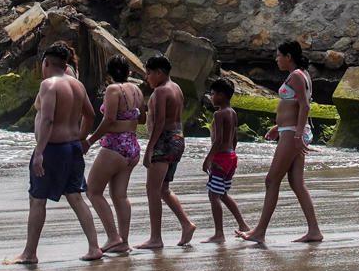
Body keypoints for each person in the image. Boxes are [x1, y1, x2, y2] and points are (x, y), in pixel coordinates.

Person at [8, 42, 103, 266]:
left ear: (47, 63)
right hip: (72, 148)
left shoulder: (48, 85)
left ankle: (29, 253)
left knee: (37, 200)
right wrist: (81, 138)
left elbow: (48, 119)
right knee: (76, 197)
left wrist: (39, 152)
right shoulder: (77, 85)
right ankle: (94, 247)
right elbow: (90, 115)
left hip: (52, 149)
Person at [238, 39, 325, 245]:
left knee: (271, 180)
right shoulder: (301, 74)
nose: (276, 59)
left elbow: (305, 106)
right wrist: (279, 127)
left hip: (293, 133)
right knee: (296, 183)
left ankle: (259, 232)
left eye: (279, 56)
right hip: (291, 130)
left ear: (288, 56)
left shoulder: (297, 76)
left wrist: (296, 135)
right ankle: (314, 230)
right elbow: (294, 105)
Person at [82, 54, 144, 255]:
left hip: (115, 146)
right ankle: (123, 241)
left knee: (93, 191)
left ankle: (113, 237)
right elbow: (142, 119)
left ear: (108, 73)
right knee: (120, 195)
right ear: (128, 72)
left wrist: (90, 141)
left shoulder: (112, 90)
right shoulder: (137, 90)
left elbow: (108, 120)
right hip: (132, 147)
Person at [137, 54, 197, 249]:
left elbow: (160, 122)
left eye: (148, 73)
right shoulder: (176, 87)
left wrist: (149, 149)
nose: (147, 78)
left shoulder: (161, 91)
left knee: (152, 189)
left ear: (159, 72)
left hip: (164, 141)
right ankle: (186, 224)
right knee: (163, 189)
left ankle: (156, 238)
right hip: (177, 139)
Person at [200, 78, 248, 242]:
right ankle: (242, 224)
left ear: (221, 95)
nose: (211, 97)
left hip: (220, 158)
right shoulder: (232, 112)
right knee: (223, 194)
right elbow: (234, 138)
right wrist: (231, 155)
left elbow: (218, 140)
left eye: (213, 94)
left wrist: (208, 159)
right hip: (231, 156)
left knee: (213, 195)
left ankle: (219, 233)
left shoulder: (219, 114)